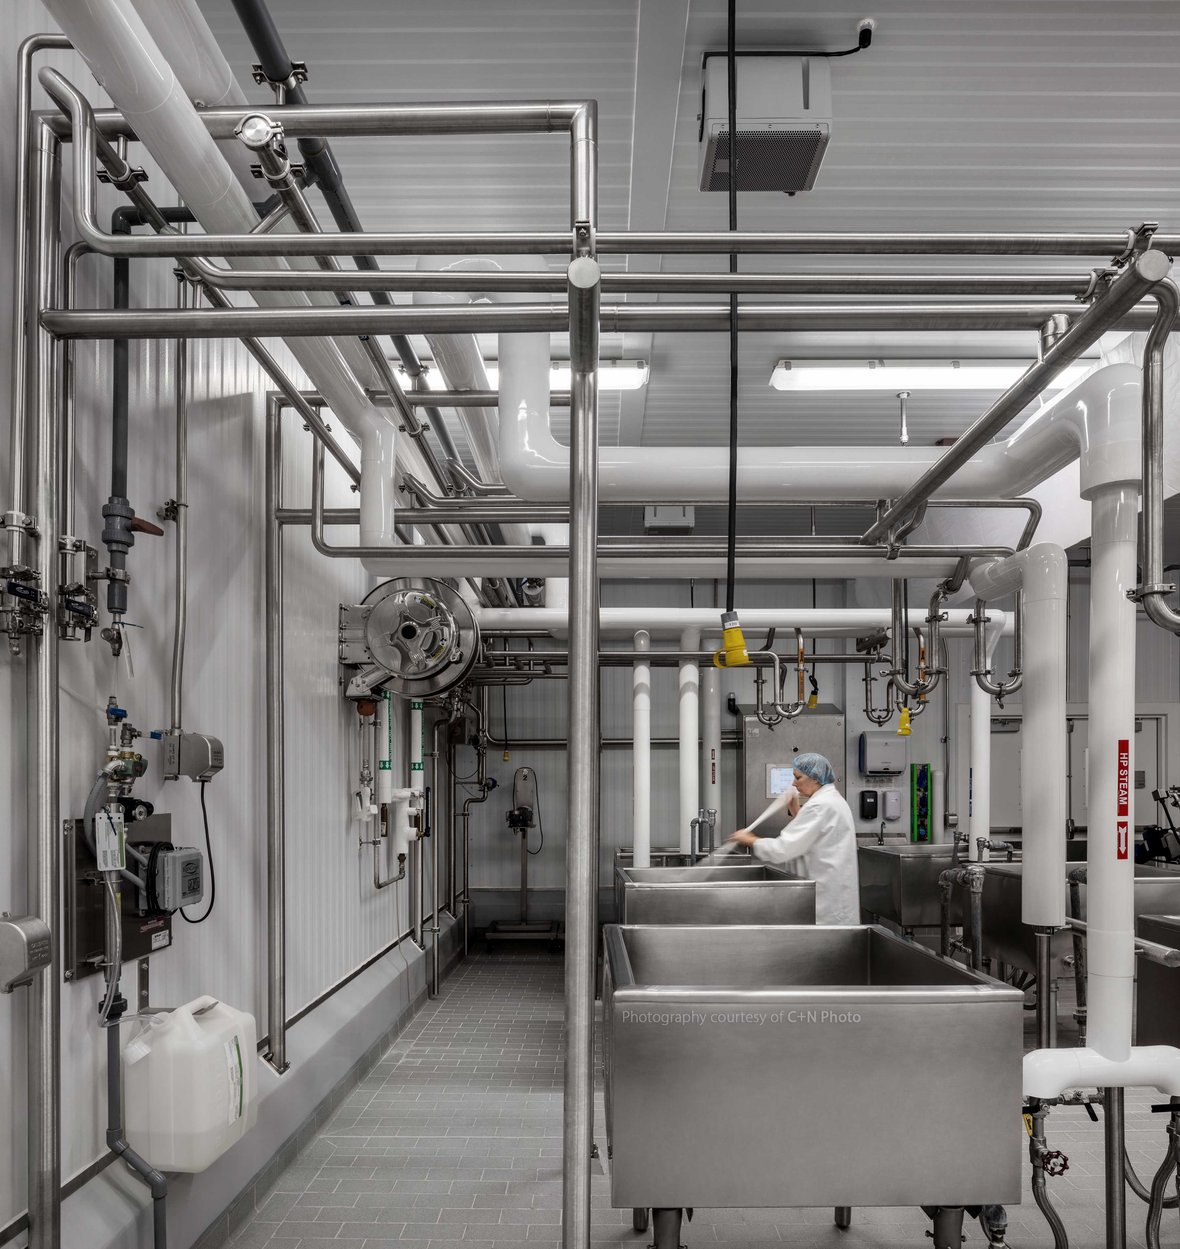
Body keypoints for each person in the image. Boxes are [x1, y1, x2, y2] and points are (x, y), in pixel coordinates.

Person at [728, 752, 860, 925]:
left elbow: (783, 850)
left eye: (798, 777)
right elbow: (814, 837)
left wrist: (749, 839)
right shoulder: (830, 801)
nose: (793, 783)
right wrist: (797, 810)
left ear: (815, 778)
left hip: (824, 901)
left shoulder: (820, 806)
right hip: (830, 893)